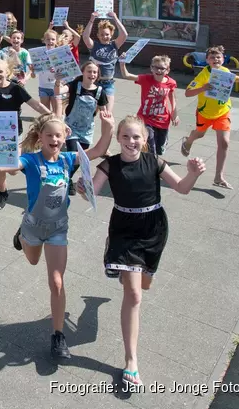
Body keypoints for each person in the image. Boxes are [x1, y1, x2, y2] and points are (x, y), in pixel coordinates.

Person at [81, 115, 205, 387]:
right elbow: (91, 191)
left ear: (145, 139)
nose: (131, 141)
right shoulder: (109, 164)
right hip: (123, 229)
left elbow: (182, 188)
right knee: (134, 294)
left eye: (136, 136)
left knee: (142, 286)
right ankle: (131, 361)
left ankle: (110, 291)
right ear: (118, 139)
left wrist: (193, 174)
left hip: (153, 229)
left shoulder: (155, 163)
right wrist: (83, 188)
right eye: (125, 136)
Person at [0, 111, 114, 359]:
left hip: (57, 230)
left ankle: (58, 336)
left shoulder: (67, 159)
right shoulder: (31, 160)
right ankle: (21, 236)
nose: (54, 138)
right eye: (49, 134)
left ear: (65, 137)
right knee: (32, 260)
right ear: (40, 137)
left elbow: (97, 151)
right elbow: (7, 167)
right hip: (32, 226)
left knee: (56, 281)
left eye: (58, 135)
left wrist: (108, 128)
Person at [0, 28, 52, 209]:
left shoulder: (16, 88)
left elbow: (35, 104)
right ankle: (3, 192)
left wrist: (52, 117)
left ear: (8, 72)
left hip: (13, 133)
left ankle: (26, 164)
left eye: (0, 72)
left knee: (11, 169)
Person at [180, 46, 239, 189]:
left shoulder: (224, 71)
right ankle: (188, 141)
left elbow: (233, 78)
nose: (215, 59)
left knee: (224, 143)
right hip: (205, 113)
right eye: (212, 57)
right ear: (207, 60)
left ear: (223, 59)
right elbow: (187, 93)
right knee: (199, 134)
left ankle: (218, 177)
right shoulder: (203, 74)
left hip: (222, 112)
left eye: (218, 57)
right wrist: (203, 88)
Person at [61, 61, 109, 194]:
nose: (92, 74)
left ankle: (66, 176)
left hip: (87, 130)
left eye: (95, 72)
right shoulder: (75, 85)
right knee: (73, 153)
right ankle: (67, 179)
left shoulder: (100, 92)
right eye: (89, 71)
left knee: (82, 158)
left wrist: (107, 124)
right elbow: (59, 91)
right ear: (83, 72)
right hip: (71, 127)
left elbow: (104, 111)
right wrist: (58, 81)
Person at [119, 54, 179, 155]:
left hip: (162, 120)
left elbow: (172, 99)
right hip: (145, 118)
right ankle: (149, 162)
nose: (159, 71)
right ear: (151, 68)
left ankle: (157, 151)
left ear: (167, 70)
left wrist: (175, 114)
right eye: (156, 67)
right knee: (150, 143)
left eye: (162, 68)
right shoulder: (146, 79)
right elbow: (127, 75)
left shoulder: (171, 83)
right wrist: (122, 64)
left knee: (159, 149)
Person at [82, 11, 129, 112]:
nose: (104, 36)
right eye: (102, 34)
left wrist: (115, 18)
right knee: (91, 112)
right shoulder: (94, 46)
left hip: (108, 84)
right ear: (98, 35)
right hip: (94, 83)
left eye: (107, 34)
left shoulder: (114, 45)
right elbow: (85, 37)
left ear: (111, 34)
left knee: (107, 114)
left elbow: (124, 35)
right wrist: (92, 19)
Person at [36, 28, 62, 116]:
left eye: (53, 39)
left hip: (56, 87)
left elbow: (65, 69)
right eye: (48, 39)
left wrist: (57, 69)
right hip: (43, 86)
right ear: (44, 40)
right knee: (45, 113)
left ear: (56, 40)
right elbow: (34, 72)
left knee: (56, 114)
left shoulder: (60, 53)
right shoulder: (39, 53)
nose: (50, 41)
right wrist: (33, 68)